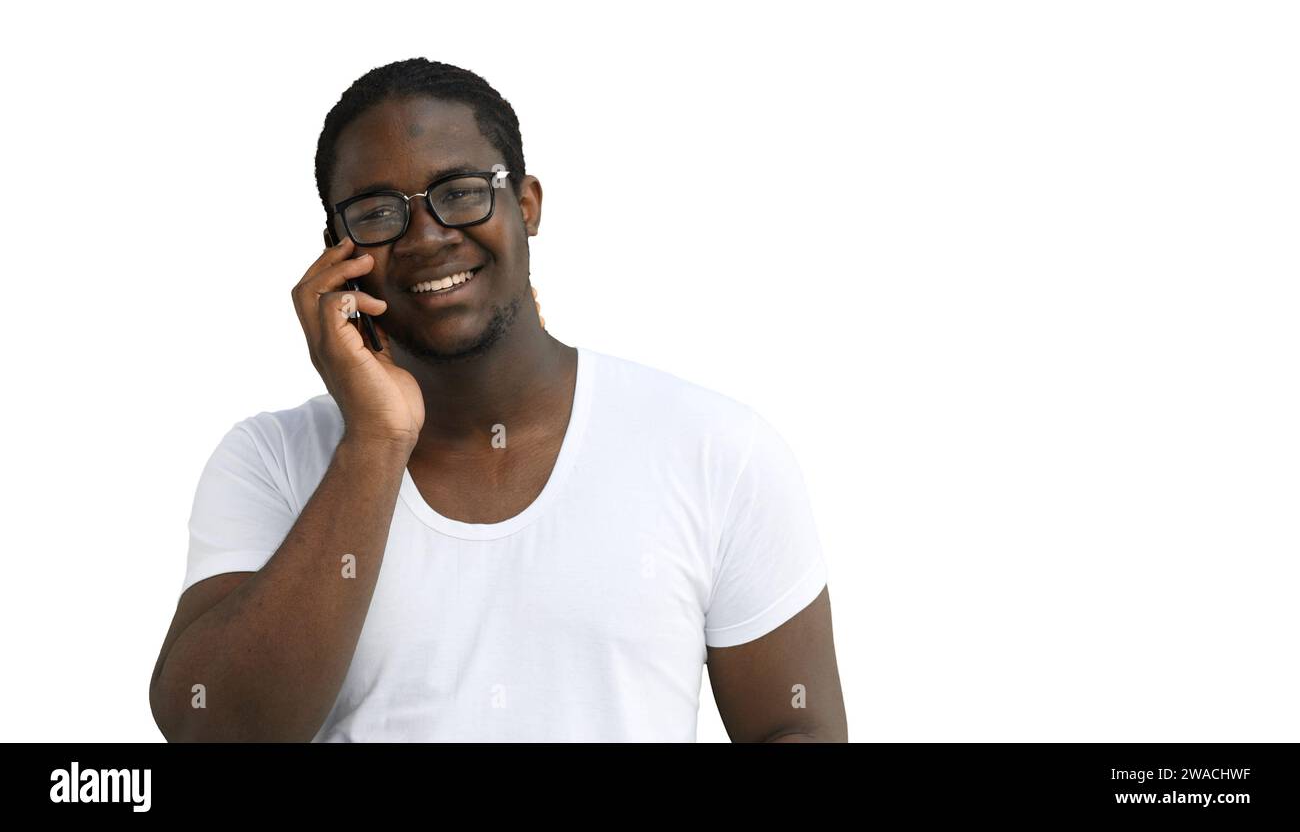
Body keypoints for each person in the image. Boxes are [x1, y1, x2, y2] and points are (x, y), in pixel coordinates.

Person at [148, 58, 847, 742]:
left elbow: (796, 727)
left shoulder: (716, 448)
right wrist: (376, 442)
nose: (426, 237)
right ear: (337, 249)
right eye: (378, 213)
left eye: (459, 191)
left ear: (527, 204)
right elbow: (212, 729)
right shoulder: (269, 461)